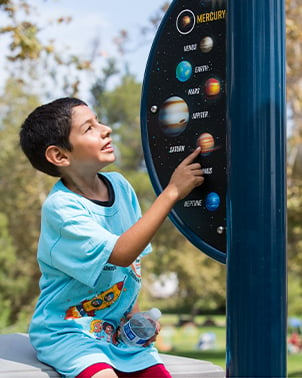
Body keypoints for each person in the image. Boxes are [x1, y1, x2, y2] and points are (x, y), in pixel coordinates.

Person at [19, 97, 204, 378]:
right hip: (69, 333)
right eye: (89, 128)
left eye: (99, 121)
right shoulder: (62, 208)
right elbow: (121, 252)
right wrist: (172, 192)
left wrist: (135, 315)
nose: (106, 129)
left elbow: (132, 265)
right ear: (60, 156)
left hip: (118, 334)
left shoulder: (119, 185)